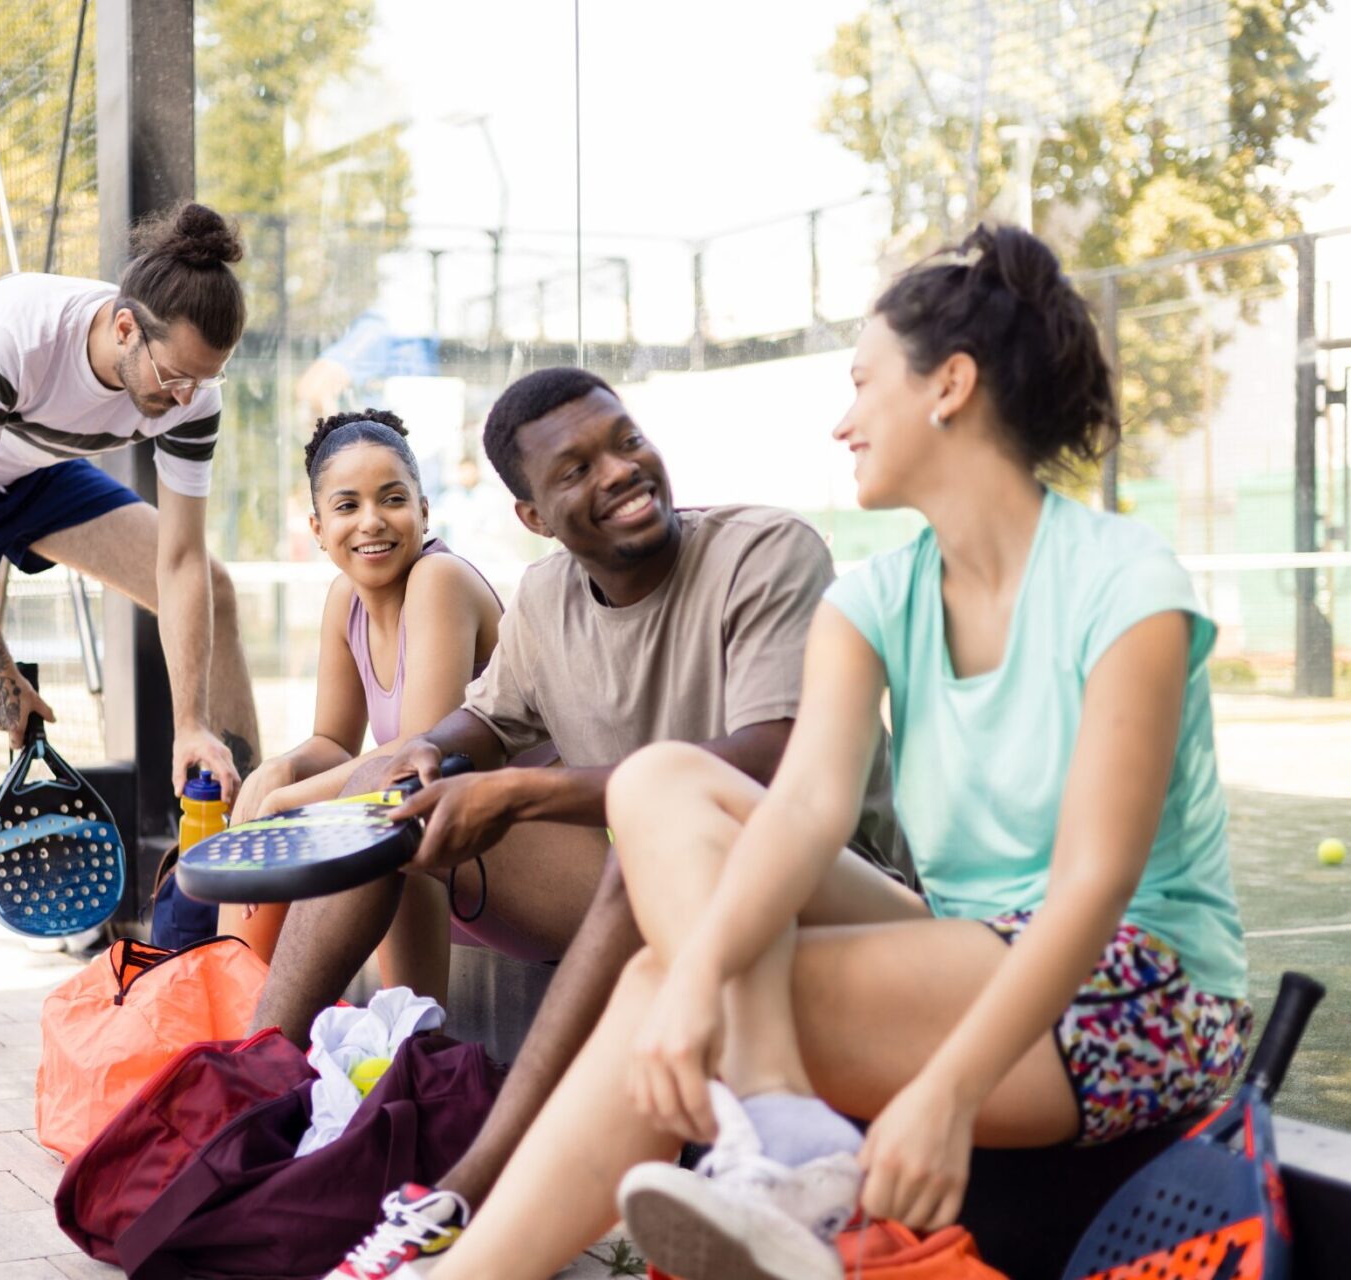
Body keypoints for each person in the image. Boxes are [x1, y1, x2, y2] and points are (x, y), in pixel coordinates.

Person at [412, 225, 1250, 1280]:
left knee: (652, 991)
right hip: (961, 935)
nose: (842, 419)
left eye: (863, 384)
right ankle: (779, 1135)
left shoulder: (1125, 583)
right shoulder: (875, 601)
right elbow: (801, 817)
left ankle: (506, 1252)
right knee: (660, 785)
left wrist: (948, 1091)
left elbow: (1095, 881)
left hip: (1141, 984)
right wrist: (694, 974)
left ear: (949, 385)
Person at [280, 368, 907, 1279]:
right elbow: (489, 720)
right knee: (395, 801)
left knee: (650, 810)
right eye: (574, 469)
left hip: (819, 891)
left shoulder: (768, 552)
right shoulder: (545, 599)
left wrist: (526, 795)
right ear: (533, 515)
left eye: (625, 441)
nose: (618, 471)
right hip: (658, 894)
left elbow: (778, 766)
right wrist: (429, 752)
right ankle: (258, 1080)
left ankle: (464, 1189)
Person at [0, 201, 262, 1066]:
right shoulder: (17, 333)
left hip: (33, 471)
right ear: (121, 326)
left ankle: (251, 863)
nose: (184, 398)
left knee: (212, 585)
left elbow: (181, 563)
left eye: (201, 382)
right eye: (173, 377)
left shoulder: (194, 390)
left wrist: (191, 724)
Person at [222, 409, 524, 996]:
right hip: (463, 855)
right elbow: (333, 743)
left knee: (396, 819)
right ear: (316, 527)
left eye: (391, 500)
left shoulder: (440, 581)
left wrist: (285, 803)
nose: (371, 522)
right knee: (271, 794)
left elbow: (413, 763)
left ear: (424, 510)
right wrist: (278, 775)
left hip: (523, 855)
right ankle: (242, 1036)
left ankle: (413, 1051)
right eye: (346, 506)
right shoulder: (346, 599)